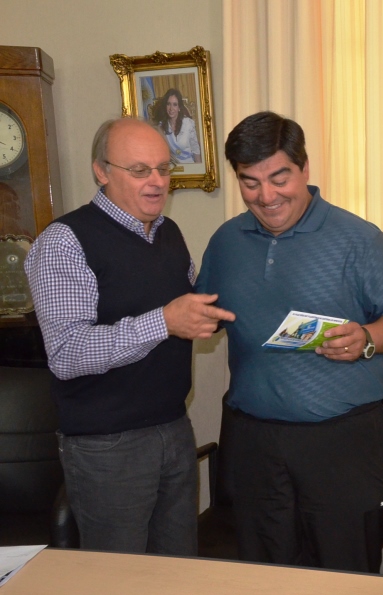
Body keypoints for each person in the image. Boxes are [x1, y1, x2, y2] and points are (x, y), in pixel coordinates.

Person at [196, 111, 383, 574]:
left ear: (304, 168)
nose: (266, 196)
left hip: (340, 442)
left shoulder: (359, 239)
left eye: (279, 178)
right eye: (250, 183)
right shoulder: (225, 241)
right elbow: (208, 312)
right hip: (253, 440)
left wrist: (367, 338)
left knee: (344, 575)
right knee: (264, 573)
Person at [24, 118, 235, 555]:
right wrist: (164, 322)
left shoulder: (168, 232)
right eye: (140, 170)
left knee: (178, 569)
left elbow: (187, 308)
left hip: (174, 427)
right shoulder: (65, 241)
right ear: (101, 171)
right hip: (107, 445)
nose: (157, 182)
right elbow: (66, 352)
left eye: (164, 168)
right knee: (119, 581)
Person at [153, 88, 202, 164]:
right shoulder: (161, 126)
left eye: (175, 104)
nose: (171, 108)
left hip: (189, 165)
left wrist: (199, 168)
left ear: (179, 107)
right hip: (172, 167)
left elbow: (195, 149)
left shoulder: (188, 124)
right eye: (168, 104)